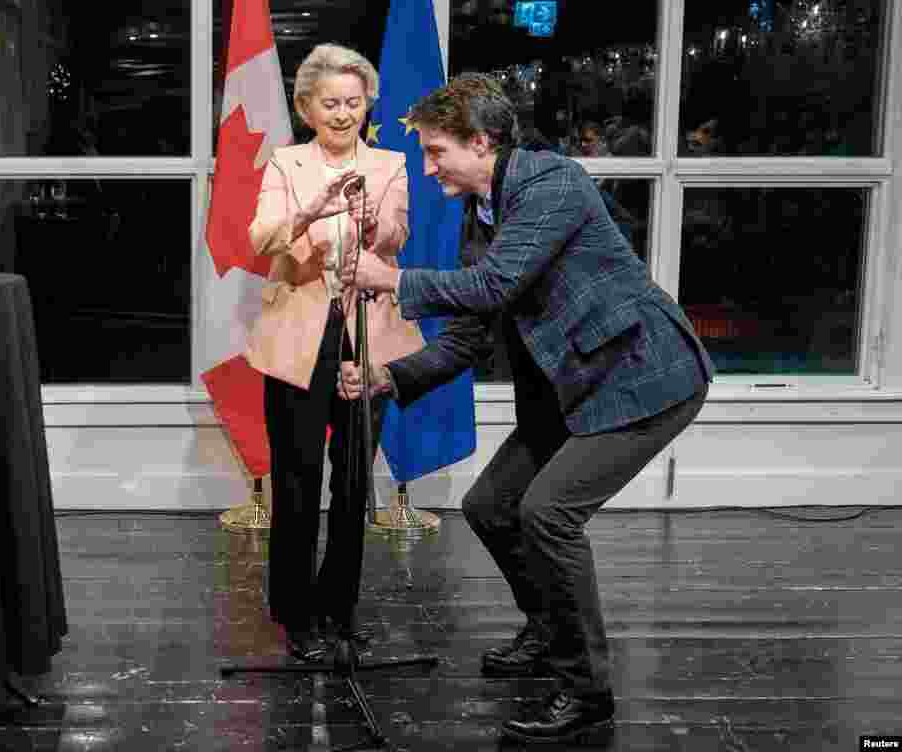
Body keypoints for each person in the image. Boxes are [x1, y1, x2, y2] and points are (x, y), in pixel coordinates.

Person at [338, 73, 713, 743]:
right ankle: (549, 629)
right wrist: (387, 379)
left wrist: (390, 278)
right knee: (491, 506)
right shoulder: (481, 211)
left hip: (642, 373)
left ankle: (587, 692)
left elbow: (494, 284)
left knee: (549, 515)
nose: (428, 168)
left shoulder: (550, 183)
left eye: (436, 151)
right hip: (572, 384)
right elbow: (472, 332)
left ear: (481, 142)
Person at [245, 43, 424, 662]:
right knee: (296, 479)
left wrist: (374, 222)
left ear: (368, 104)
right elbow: (259, 237)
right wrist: (310, 210)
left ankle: (337, 610)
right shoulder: (285, 164)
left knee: (351, 482)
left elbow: (399, 236)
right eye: (331, 103)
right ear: (306, 107)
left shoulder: (392, 162)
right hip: (300, 337)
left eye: (354, 102)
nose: (344, 113)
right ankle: (294, 614)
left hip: (369, 336)